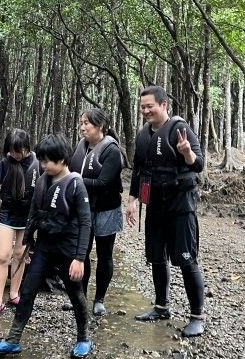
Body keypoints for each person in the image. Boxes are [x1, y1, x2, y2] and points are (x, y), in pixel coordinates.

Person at [0, 133, 93, 359]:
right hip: (44, 246)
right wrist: (27, 244)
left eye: (47, 161)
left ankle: (83, 337)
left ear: (63, 159)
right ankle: (13, 340)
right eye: (41, 160)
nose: (43, 165)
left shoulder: (76, 184)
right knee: (27, 290)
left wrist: (80, 258)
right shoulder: (43, 180)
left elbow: (85, 223)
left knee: (75, 293)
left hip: (68, 248)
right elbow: (33, 214)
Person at [124, 86, 206, 337]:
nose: (146, 111)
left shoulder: (180, 128)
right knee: (156, 257)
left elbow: (199, 164)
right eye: (143, 107)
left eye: (150, 106)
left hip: (180, 205)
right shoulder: (142, 135)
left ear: (164, 105)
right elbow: (139, 170)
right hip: (155, 204)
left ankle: (197, 316)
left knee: (186, 259)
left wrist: (187, 152)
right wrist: (132, 200)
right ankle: (161, 306)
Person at [64, 108, 124, 317]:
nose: (82, 127)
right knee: (81, 253)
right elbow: (70, 169)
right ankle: (80, 296)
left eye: (86, 123)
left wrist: (74, 180)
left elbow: (103, 182)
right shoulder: (80, 146)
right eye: (81, 122)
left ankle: (99, 300)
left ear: (100, 126)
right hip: (83, 209)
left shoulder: (112, 151)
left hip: (107, 209)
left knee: (104, 254)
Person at [0, 129, 41, 319]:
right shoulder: (6, 162)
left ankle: (14, 294)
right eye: (12, 151)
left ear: (27, 148)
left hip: (28, 215)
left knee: (20, 255)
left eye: (18, 151)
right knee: (3, 256)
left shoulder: (37, 163)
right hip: (7, 214)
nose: (15, 155)